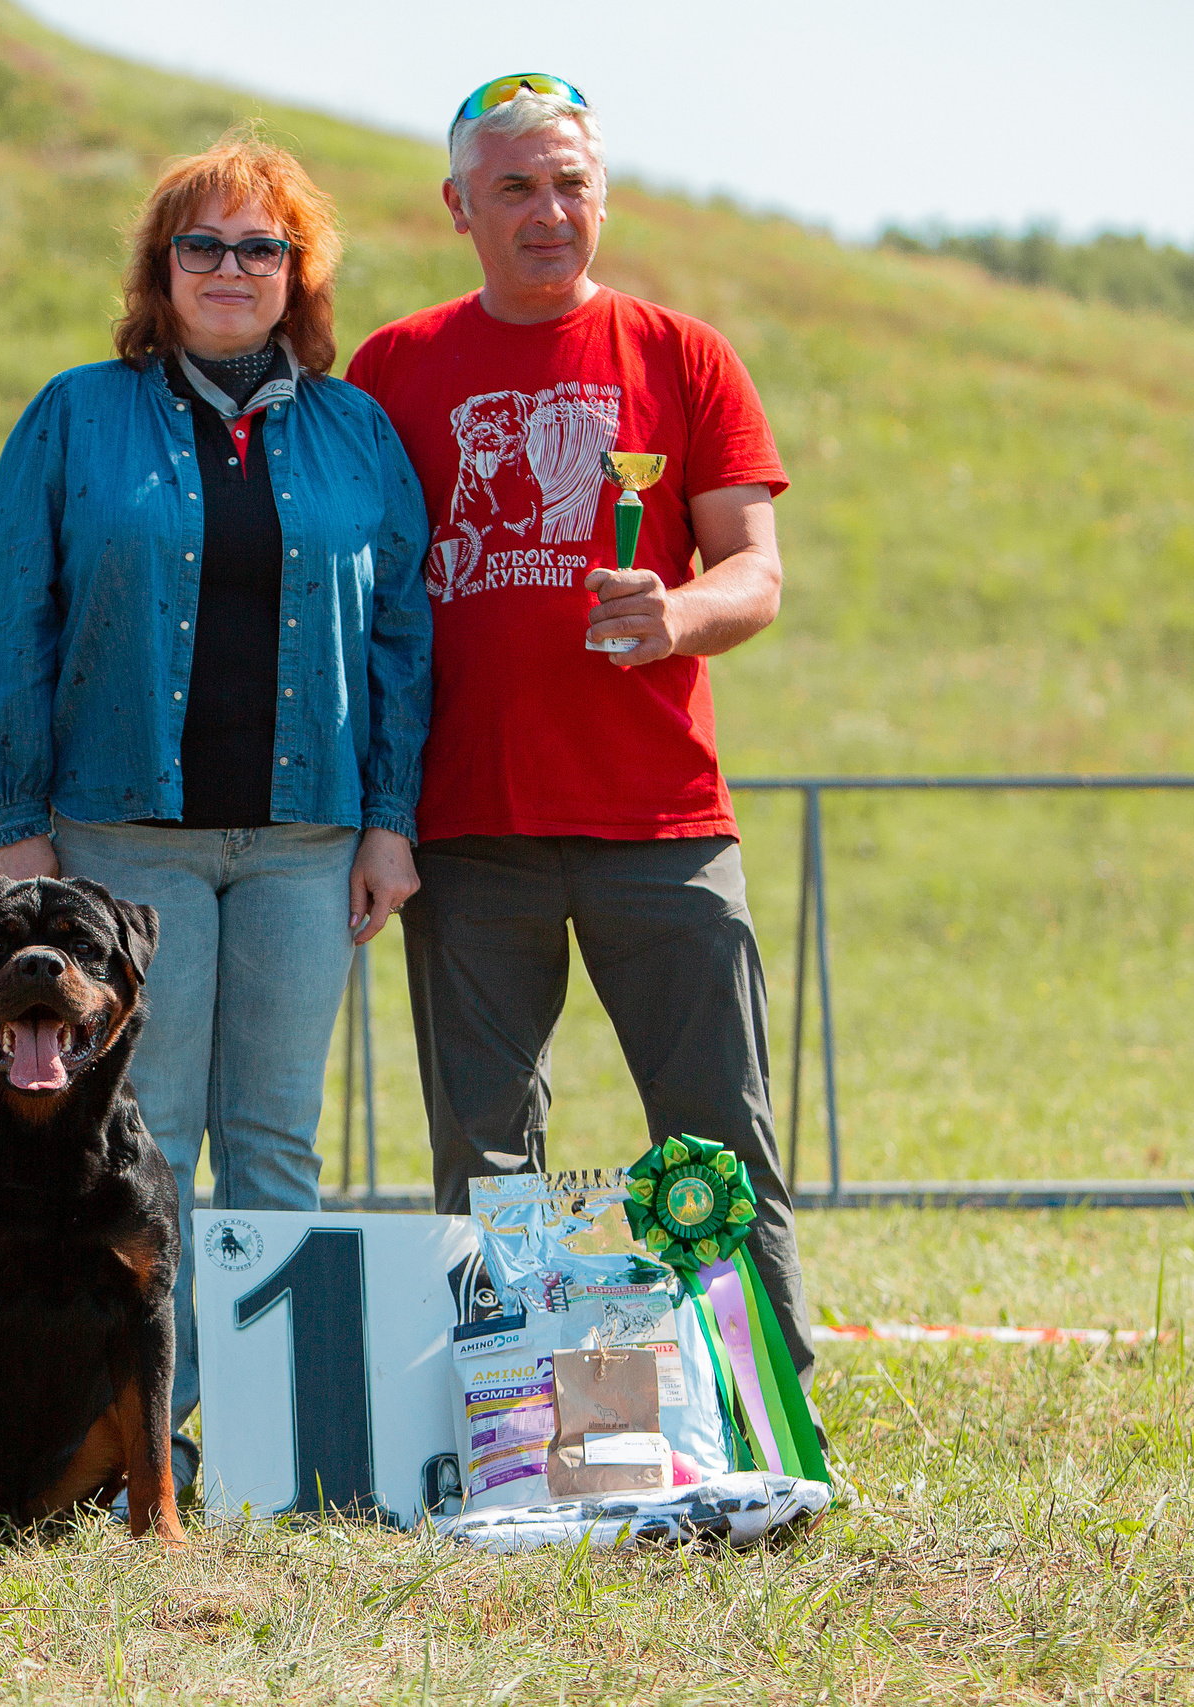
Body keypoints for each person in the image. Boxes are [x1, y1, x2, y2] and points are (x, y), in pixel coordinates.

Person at [0, 127, 433, 1487]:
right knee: (146, 1144)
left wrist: (390, 817)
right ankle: (135, 1449)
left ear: (300, 274)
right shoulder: (73, 416)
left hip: (307, 845)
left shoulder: (357, 433)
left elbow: (403, 632)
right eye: (203, 244)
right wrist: (20, 823)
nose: (232, 267)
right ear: (158, 270)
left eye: (262, 247)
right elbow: (18, 620)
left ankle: (270, 1450)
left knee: (279, 1139)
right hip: (122, 847)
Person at [344, 77, 814, 1387]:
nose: (549, 213)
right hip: (470, 825)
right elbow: (368, 590)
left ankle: (771, 1407)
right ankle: (509, 1417)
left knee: (718, 1140)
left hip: (660, 823)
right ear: (458, 206)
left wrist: (672, 614)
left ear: (602, 195)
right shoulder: (394, 367)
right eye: (515, 188)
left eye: (571, 184)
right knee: (489, 1150)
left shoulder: (686, 357)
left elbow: (758, 575)